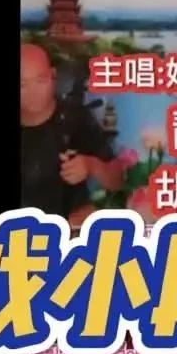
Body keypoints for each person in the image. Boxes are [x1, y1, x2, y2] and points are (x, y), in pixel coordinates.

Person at [20, 43, 123, 227]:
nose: (33, 93)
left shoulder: (76, 119)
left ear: (53, 76)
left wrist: (91, 166)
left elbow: (117, 180)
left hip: (69, 231)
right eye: (23, 85)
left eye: (40, 81)